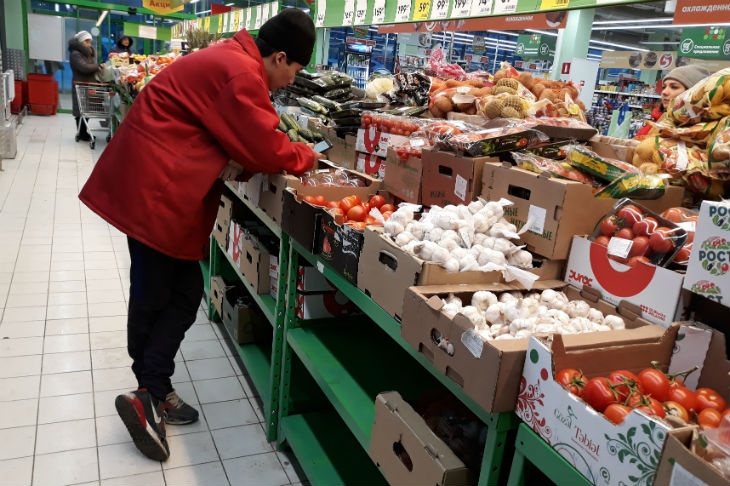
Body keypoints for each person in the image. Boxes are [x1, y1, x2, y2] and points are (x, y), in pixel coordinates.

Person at [78, 8, 322, 462]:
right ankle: (148, 393)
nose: (291, 81)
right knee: (160, 293)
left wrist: (241, 160)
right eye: (294, 70)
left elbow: (225, 136)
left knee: (173, 291)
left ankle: (153, 386)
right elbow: (265, 147)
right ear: (280, 57)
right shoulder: (241, 73)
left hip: (159, 180)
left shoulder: (233, 59)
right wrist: (308, 156)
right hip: (157, 188)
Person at [635, 64, 711, 138]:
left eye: (674, 87)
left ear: (693, 93)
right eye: (664, 87)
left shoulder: (699, 133)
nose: (664, 92)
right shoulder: (657, 117)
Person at [69, 30, 103, 141]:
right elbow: (84, 67)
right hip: (80, 84)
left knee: (85, 110)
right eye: (86, 41)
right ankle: (82, 133)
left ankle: (83, 132)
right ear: (80, 41)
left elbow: (90, 66)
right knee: (80, 110)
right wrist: (97, 66)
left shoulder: (86, 54)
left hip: (87, 84)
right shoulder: (75, 54)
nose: (89, 44)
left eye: (90, 42)